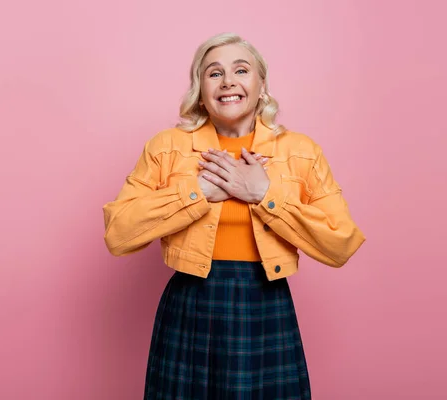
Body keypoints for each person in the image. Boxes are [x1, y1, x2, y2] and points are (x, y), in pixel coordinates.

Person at [102, 32, 365, 400]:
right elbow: (118, 233)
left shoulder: (301, 152)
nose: (228, 81)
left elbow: (341, 244)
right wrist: (199, 193)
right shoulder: (167, 147)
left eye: (241, 70)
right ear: (200, 88)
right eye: (214, 73)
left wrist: (263, 194)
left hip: (266, 301)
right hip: (191, 301)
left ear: (261, 85)